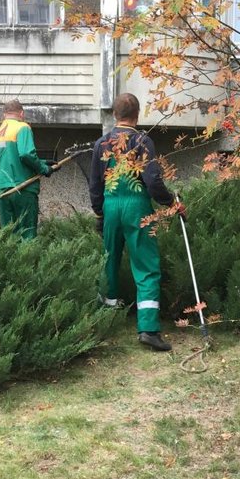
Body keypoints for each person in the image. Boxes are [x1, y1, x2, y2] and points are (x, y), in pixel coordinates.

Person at [89, 93, 185, 352]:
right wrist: (170, 203)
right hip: (137, 207)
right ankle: (149, 329)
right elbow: (152, 181)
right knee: (146, 265)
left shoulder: (101, 143)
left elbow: (95, 184)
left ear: (114, 115)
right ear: (137, 114)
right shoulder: (142, 141)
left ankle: (105, 322)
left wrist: (100, 214)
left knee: (108, 260)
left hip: (111, 207)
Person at [0, 100, 55, 239]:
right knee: (27, 235)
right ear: (21, 113)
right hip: (22, 189)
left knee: (9, 237)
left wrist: (43, 162)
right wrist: (44, 169)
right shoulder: (22, 127)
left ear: (4, 114)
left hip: (2, 191)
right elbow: (26, 154)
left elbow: (6, 160)